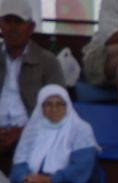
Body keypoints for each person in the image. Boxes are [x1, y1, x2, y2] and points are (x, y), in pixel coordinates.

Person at [0, 0, 61, 167]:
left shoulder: (48, 62)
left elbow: (58, 113)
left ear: (31, 27)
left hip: (33, 134)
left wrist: (23, 132)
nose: (12, 28)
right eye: (7, 21)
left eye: (18, 22)